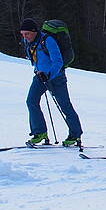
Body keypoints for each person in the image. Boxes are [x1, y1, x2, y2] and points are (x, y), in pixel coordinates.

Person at [20, 18, 83, 147]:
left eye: (27, 34)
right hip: (40, 76)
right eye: (23, 34)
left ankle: (75, 134)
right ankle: (40, 132)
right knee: (31, 101)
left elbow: (58, 61)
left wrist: (49, 75)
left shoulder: (48, 40)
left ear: (34, 31)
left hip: (56, 77)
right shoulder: (29, 43)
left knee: (64, 105)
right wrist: (39, 72)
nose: (25, 37)